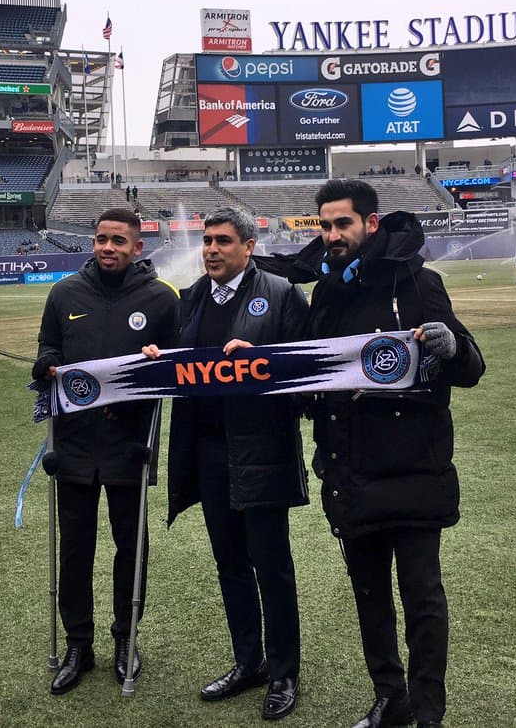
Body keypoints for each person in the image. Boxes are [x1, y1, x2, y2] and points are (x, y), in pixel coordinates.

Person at [273, 179, 485, 728]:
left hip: (413, 466)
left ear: (371, 223)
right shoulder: (325, 292)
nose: (332, 235)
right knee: (369, 595)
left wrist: (453, 345)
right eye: (324, 225)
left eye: (342, 223)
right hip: (347, 467)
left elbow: (472, 368)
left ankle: (429, 713)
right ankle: (390, 698)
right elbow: (313, 376)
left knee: (422, 597)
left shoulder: (418, 282)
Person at [146, 206, 309, 721]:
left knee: (271, 566)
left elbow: (306, 377)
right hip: (209, 453)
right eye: (207, 242)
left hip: (261, 451)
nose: (211, 249)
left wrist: (263, 358)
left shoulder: (282, 295)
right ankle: (249, 662)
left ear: (248, 246)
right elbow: (181, 363)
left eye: (222, 241)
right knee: (231, 565)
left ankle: (284, 672)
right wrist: (159, 357)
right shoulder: (191, 297)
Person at [32, 207, 179, 696]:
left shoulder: (160, 300)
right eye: (101, 239)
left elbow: (177, 370)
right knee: (75, 551)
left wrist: (158, 367)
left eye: (119, 241)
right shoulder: (65, 293)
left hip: (128, 446)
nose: (108, 248)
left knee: (130, 547)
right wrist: (48, 366)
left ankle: (125, 638)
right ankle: (79, 644)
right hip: (72, 444)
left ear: (138, 247)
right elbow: (48, 348)